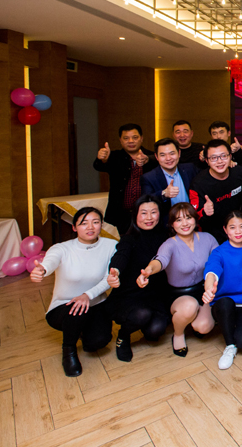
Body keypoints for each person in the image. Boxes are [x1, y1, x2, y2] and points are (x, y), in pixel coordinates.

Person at [29, 207, 116, 376]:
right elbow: (50, 261)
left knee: (97, 342)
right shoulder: (61, 248)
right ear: (74, 227)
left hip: (96, 304)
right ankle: (68, 351)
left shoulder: (111, 246)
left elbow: (109, 278)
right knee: (77, 309)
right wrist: (42, 270)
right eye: (84, 223)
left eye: (95, 222)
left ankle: (81, 330)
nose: (90, 227)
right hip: (64, 307)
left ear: (101, 225)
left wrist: (87, 295)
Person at [140, 203, 218, 357]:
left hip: (203, 291)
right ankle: (178, 334)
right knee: (189, 306)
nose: (185, 223)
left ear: (195, 219)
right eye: (178, 220)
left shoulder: (207, 238)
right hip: (179, 295)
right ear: (172, 224)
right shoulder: (169, 244)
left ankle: (196, 318)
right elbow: (160, 260)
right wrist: (149, 270)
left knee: (203, 327)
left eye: (188, 218)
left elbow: (220, 259)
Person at [104, 196, 170, 362]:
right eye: (144, 213)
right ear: (135, 215)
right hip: (130, 294)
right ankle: (123, 336)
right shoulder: (129, 238)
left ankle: (144, 325)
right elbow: (121, 255)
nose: (149, 217)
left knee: (155, 331)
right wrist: (115, 271)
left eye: (153, 212)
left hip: (155, 294)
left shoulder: (166, 237)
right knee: (141, 315)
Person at [203, 211, 242, 370]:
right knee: (225, 303)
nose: (238, 231)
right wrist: (209, 289)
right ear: (225, 230)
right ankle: (229, 346)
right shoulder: (219, 251)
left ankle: (237, 328)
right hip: (225, 304)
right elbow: (212, 270)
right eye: (232, 227)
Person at [93, 123, 156, 234]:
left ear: (141, 138)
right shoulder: (114, 157)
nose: (131, 141)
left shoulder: (152, 157)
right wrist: (102, 159)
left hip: (148, 213)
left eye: (135, 137)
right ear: (120, 140)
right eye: (126, 138)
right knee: (126, 241)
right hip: (122, 214)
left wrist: (149, 159)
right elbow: (99, 166)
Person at [189, 139, 242, 243]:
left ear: (230, 156)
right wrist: (205, 212)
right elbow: (194, 216)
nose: (220, 161)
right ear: (207, 161)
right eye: (213, 158)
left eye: (223, 156)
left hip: (237, 230)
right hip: (212, 236)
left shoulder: (239, 173)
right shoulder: (198, 184)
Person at [141, 138, 198, 225]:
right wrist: (164, 194)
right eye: (163, 155)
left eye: (172, 153)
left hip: (192, 222)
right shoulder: (149, 178)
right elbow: (146, 201)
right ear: (156, 157)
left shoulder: (190, 169)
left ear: (179, 153)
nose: (168, 158)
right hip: (167, 225)